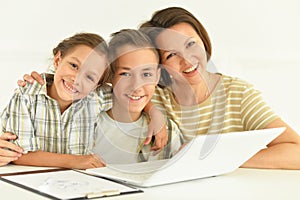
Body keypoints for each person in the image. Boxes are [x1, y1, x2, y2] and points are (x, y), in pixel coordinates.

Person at [138, 6, 300, 169]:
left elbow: (296, 151)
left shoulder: (238, 95)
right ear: (159, 64)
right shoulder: (150, 94)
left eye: (191, 44)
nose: (187, 60)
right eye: (171, 55)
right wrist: (151, 108)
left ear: (203, 40)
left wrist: (218, 158)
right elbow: (115, 82)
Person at [0, 32, 167, 169]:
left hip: (76, 183)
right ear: (58, 60)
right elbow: (19, 155)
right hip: (29, 180)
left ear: (97, 84)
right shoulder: (27, 95)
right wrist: (75, 161)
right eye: (74, 66)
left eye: (89, 76)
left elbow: (130, 94)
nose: (77, 79)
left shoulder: (94, 97)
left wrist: (154, 112)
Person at [92, 29, 183, 164]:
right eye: (125, 74)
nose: (136, 86)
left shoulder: (167, 131)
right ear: (110, 75)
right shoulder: (89, 123)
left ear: (157, 76)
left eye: (146, 75)